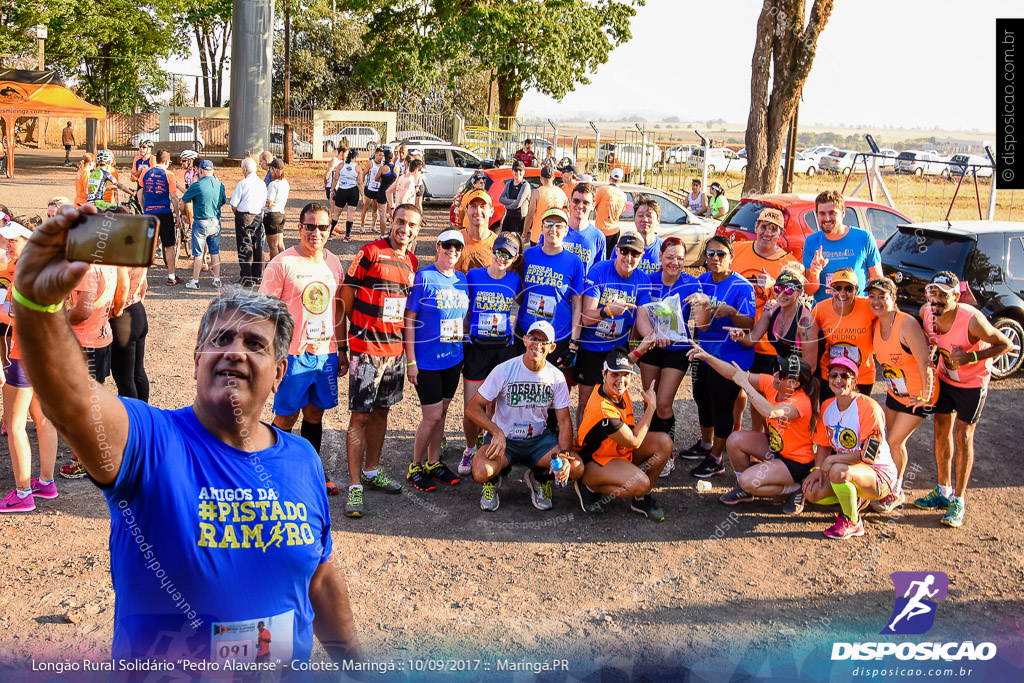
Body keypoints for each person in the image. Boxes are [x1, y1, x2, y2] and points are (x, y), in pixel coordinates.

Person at [13, 206, 361, 661]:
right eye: (221, 340)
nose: (234, 352)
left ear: (279, 373)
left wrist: (358, 663)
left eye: (253, 344)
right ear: (197, 360)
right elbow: (72, 398)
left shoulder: (301, 459)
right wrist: (38, 308)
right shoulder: (149, 441)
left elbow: (320, 575)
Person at [260, 203, 346, 500]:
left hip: (325, 354)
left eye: (323, 227)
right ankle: (273, 474)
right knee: (285, 417)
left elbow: (338, 310)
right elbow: (264, 315)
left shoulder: (334, 264)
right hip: (291, 355)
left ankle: (312, 472)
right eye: (310, 226)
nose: (316, 232)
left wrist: (342, 350)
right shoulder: (282, 264)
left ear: (330, 231)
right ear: (299, 228)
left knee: (314, 416)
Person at [339, 204, 420, 516]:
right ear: (391, 220)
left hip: (395, 352)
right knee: (359, 417)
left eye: (412, 225)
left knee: (382, 412)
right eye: (400, 221)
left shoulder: (411, 259)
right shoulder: (370, 252)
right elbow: (345, 297)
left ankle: (372, 471)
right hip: (366, 350)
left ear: (417, 229)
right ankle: (355, 487)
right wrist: (345, 346)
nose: (405, 229)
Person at [914, 271, 1012, 527]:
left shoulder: (972, 320)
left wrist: (971, 358)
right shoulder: (926, 313)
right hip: (945, 379)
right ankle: (942, 491)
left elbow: (1005, 345)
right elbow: (928, 340)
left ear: (956, 297)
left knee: (963, 436)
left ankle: (958, 500)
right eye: (932, 292)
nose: (935, 299)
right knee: (940, 430)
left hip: (972, 383)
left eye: (943, 295)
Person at [467, 320, 578, 511]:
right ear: (525, 340)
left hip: (538, 441)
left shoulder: (556, 376)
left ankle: (539, 476)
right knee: (480, 471)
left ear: (551, 347)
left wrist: (564, 456)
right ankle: (493, 481)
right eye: (534, 338)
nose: (537, 345)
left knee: (576, 467)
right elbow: (472, 408)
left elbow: (564, 421)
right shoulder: (504, 370)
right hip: (506, 440)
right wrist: (496, 431)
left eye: (543, 342)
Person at [697, 350, 819, 515]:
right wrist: (708, 357)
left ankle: (795, 488)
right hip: (776, 449)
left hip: (796, 462)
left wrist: (745, 385)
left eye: (781, 373)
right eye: (776, 368)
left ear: (794, 384)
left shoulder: (800, 402)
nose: (775, 374)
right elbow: (734, 373)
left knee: (749, 481)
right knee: (734, 439)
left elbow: (771, 411)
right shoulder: (771, 383)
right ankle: (745, 490)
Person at [685, 236, 756, 478]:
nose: (715, 258)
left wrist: (732, 312)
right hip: (704, 353)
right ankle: (706, 444)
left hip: (731, 356)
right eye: (711, 254)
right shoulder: (701, 281)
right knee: (701, 397)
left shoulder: (742, 286)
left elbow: (749, 323)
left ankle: (717, 459)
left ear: (731, 258)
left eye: (721, 254)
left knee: (721, 405)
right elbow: (698, 321)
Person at [404, 230, 470, 492]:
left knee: (442, 414)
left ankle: (433, 462)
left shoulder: (462, 279)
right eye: (448, 245)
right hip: (427, 360)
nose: (452, 250)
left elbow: (462, 319)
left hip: (453, 359)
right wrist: (410, 360)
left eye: (458, 246)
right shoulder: (425, 277)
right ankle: (415, 465)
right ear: (438, 246)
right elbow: (409, 320)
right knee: (430, 417)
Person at [0, 221, 59, 512]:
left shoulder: (24, 272)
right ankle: (46, 482)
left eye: (14, 240)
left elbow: (19, 317)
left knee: (14, 424)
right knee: (42, 417)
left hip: (24, 355)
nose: (8, 244)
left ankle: (23, 493)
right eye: (6, 240)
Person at [803, 357, 897, 539]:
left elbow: (869, 455)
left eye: (845, 376)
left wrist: (833, 459)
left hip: (878, 474)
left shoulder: (869, 407)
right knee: (812, 491)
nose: (838, 380)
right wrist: (817, 469)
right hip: (851, 470)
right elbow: (822, 444)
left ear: (854, 381)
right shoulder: (827, 406)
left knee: (838, 471)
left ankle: (852, 521)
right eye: (833, 375)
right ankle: (855, 498)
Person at [574, 347, 672, 521]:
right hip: (594, 461)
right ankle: (589, 486)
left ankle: (641, 499)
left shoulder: (613, 386)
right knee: (640, 483)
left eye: (626, 375)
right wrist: (651, 408)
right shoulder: (603, 409)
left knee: (664, 442)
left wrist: (646, 343)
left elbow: (625, 361)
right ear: (604, 374)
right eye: (615, 375)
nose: (621, 380)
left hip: (617, 451)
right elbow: (634, 442)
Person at [866, 276, 936, 513]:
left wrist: (926, 396)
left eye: (882, 296)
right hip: (895, 392)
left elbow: (925, 360)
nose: (876, 301)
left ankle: (896, 491)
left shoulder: (906, 324)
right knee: (888, 441)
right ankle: (887, 485)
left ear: (893, 298)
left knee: (896, 441)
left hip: (919, 395)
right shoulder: (875, 324)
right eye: (872, 296)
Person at [729, 207, 803, 429]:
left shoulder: (790, 264)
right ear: (755, 227)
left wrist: (773, 289)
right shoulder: (736, 250)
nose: (767, 233)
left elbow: (797, 302)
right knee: (736, 390)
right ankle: (735, 432)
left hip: (769, 344)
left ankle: (759, 443)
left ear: (780, 234)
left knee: (761, 398)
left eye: (774, 229)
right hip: (741, 333)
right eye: (763, 227)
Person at [637, 237, 701, 476]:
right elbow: (641, 314)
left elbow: (701, 322)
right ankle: (650, 448)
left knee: (663, 403)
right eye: (670, 257)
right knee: (648, 401)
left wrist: (702, 305)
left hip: (677, 350)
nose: (675, 262)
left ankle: (667, 453)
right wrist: (652, 336)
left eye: (680, 258)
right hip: (652, 346)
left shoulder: (691, 283)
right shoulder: (649, 280)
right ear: (660, 257)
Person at [459, 233, 522, 475]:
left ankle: (489, 446)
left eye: (508, 254)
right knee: (471, 405)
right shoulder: (473, 276)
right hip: (476, 347)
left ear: (515, 258)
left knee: (495, 405)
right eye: (499, 251)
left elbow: (523, 302)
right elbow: (463, 308)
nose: (502, 257)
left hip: (502, 349)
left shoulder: (515, 280)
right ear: (492, 250)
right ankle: (469, 449)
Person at [575, 232, 654, 423]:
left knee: (614, 398)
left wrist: (653, 335)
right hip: (591, 347)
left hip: (616, 349)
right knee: (586, 400)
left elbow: (642, 319)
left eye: (634, 254)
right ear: (616, 251)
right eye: (625, 251)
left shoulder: (643, 280)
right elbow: (586, 316)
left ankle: (607, 444)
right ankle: (582, 445)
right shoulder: (599, 271)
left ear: (641, 256)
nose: (629, 258)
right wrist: (609, 310)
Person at [516, 208, 585, 375]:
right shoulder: (527, 255)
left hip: (557, 336)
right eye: (548, 224)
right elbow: (518, 294)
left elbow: (577, 305)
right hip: (527, 331)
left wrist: (574, 343)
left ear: (566, 230)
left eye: (559, 225)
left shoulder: (575, 262)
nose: (553, 229)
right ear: (541, 228)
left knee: (551, 389)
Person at [802, 190, 883, 304]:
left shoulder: (864, 237)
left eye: (832, 213)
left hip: (857, 310)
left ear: (843, 213)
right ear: (817, 215)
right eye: (822, 213)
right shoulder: (812, 242)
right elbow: (809, 291)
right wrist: (814, 272)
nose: (827, 218)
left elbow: (877, 279)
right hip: (825, 314)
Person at [808, 268, 875, 401]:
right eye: (837, 288)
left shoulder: (868, 306)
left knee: (856, 418)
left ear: (856, 290)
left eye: (848, 288)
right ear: (831, 289)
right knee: (828, 416)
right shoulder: (821, 309)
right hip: (832, 375)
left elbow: (891, 314)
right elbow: (804, 334)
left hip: (862, 375)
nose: (842, 293)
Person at [138, 150, 184, 286]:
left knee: (149, 246)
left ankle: (141, 278)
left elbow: (140, 192)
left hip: (149, 213)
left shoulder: (145, 172)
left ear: (156, 160)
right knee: (169, 245)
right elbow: (174, 197)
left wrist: (143, 208)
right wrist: (177, 215)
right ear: (166, 162)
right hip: (164, 212)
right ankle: (171, 276)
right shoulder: (169, 174)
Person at [181, 159, 226, 289]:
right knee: (215, 252)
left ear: (200, 171)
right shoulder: (220, 185)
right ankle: (217, 279)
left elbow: (183, 201)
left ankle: (195, 281)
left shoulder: (197, 185)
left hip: (201, 221)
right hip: (215, 221)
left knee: (198, 253)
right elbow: (222, 202)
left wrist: (184, 214)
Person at [110, 260, 150, 403]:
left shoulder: (120, 258)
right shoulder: (138, 255)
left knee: (124, 378)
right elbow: (144, 284)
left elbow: (123, 286)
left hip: (123, 316)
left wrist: (116, 312)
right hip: (137, 308)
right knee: (138, 371)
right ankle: (144, 414)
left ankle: (133, 420)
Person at [230, 157, 268, 287]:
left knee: (244, 246)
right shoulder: (262, 183)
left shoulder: (243, 184)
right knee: (257, 245)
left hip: (244, 215)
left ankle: (246, 277)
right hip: (258, 215)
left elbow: (234, 204)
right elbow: (264, 203)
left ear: (245, 169)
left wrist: (238, 214)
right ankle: (257, 275)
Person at [560, 182, 606, 273]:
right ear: (570, 202)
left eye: (585, 202)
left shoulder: (598, 237)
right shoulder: (556, 229)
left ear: (593, 205)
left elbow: (599, 272)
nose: (580, 206)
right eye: (576, 201)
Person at [455, 188, 497, 273]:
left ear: (491, 211)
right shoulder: (455, 240)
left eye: (483, 206)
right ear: (466, 211)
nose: (477, 211)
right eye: (473, 206)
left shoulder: (498, 244)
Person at [525, 165, 567, 245]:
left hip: (538, 236)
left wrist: (525, 233)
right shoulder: (561, 193)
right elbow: (567, 215)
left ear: (541, 178)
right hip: (556, 236)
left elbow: (530, 216)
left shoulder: (537, 193)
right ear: (553, 178)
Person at [594, 169, 628, 258]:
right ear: (621, 181)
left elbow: (593, 204)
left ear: (610, 178)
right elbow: (621, 211)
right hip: (615, 231)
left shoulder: (602, 190)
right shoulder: (623, 195)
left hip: (601, 230)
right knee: (610, 258)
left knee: (598, 258)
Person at [332, 149, 364, 242]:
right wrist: (363, 196)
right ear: (355, 157)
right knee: (350, 214)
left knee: (336, 214)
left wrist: (332, 189)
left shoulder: (341, 165)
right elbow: (360, 183)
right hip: (353, 192)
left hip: (342, 190)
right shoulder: (357, 167)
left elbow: (335, 179)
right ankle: (347, 236)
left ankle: (329, 234)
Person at [632, 194, 664, 276]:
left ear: (658, 219)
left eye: (649, 216)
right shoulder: (622, 248)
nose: (645, 220)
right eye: (640, 215)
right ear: (634, 218)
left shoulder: (665, 248)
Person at [264, 158, 289, 262]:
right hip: (281, 213)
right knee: (280, 244)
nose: (269, 170)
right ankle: (285, 265)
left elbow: (269, 202)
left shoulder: (273, 184)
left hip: (272, 215)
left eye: (270, 168)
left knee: (273, 246)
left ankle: (273, 267)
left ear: (274, 169)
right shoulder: (285, 183)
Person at [499, 160, 530, 234]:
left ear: (523, 172)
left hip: (519, 218)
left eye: (520, 170)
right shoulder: (509, 184)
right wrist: (513, 201)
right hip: (508, 217)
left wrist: (507, 206)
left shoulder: (525, 185)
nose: (518, 173)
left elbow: (518, 204)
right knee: (504, 239)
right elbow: (501, 199)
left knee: (515, 242)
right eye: (516, 170)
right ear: (512, 171)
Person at [361, 147, 384, 235]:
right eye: (379, 155)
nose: (381, 157)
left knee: (375, 209)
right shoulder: (370, 163)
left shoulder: (383, 164)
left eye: (382, 155)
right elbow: (363, 174)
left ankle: (373, 226)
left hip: (377, 190)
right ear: (375, 154)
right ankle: (362, 226)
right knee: (366, 208)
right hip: (369, 189)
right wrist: (362, 185)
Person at [374, 149, 397, 231]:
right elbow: (397, 180)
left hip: (382, 192)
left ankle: (382, 235)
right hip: (392, 193)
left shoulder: (383, 168)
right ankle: (392, 233)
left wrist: (382, 179)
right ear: (392, 157)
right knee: (394, 215)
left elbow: (376, 178)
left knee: (382, 215)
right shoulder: (396, 167)